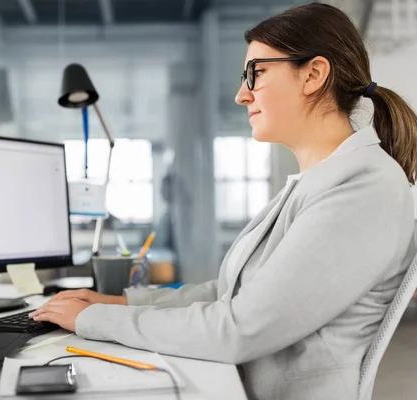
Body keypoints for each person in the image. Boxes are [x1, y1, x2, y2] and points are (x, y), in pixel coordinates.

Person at [30, 4, 417, 399]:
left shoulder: (363, 188)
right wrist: (118, 301)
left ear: (314, 74)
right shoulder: (318, 182)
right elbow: (228, 294)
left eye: (257, 73)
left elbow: (239, 328)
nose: (241, 95)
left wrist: (94, 319)